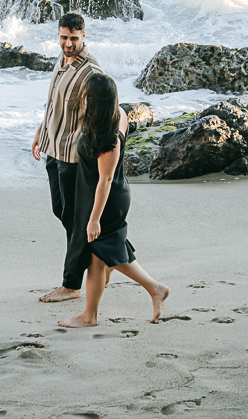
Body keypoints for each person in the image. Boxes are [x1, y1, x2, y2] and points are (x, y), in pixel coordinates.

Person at [57, 72, 169, 328]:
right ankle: (152, 291)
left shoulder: (108, 139)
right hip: (107, 195)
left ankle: (91, 315)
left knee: (100, 250)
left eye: (86, 96)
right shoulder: (116, 114)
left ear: (93, 101)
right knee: (101, 255)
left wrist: (94, 219)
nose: (82, 99)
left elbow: (105, 180)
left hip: (108, 199)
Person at [32, 12, 102, 303]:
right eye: (63, 37)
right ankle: (105, 252)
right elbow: (52, 105)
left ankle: (71, 284)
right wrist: (39, 133)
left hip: (73, 155)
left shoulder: (92, 72)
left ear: (83, 36)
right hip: (52, 147)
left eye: (74, 38)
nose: (68, 43)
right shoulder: (60, 61)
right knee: (62, 211)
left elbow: (101, 116)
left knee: (76, 221)